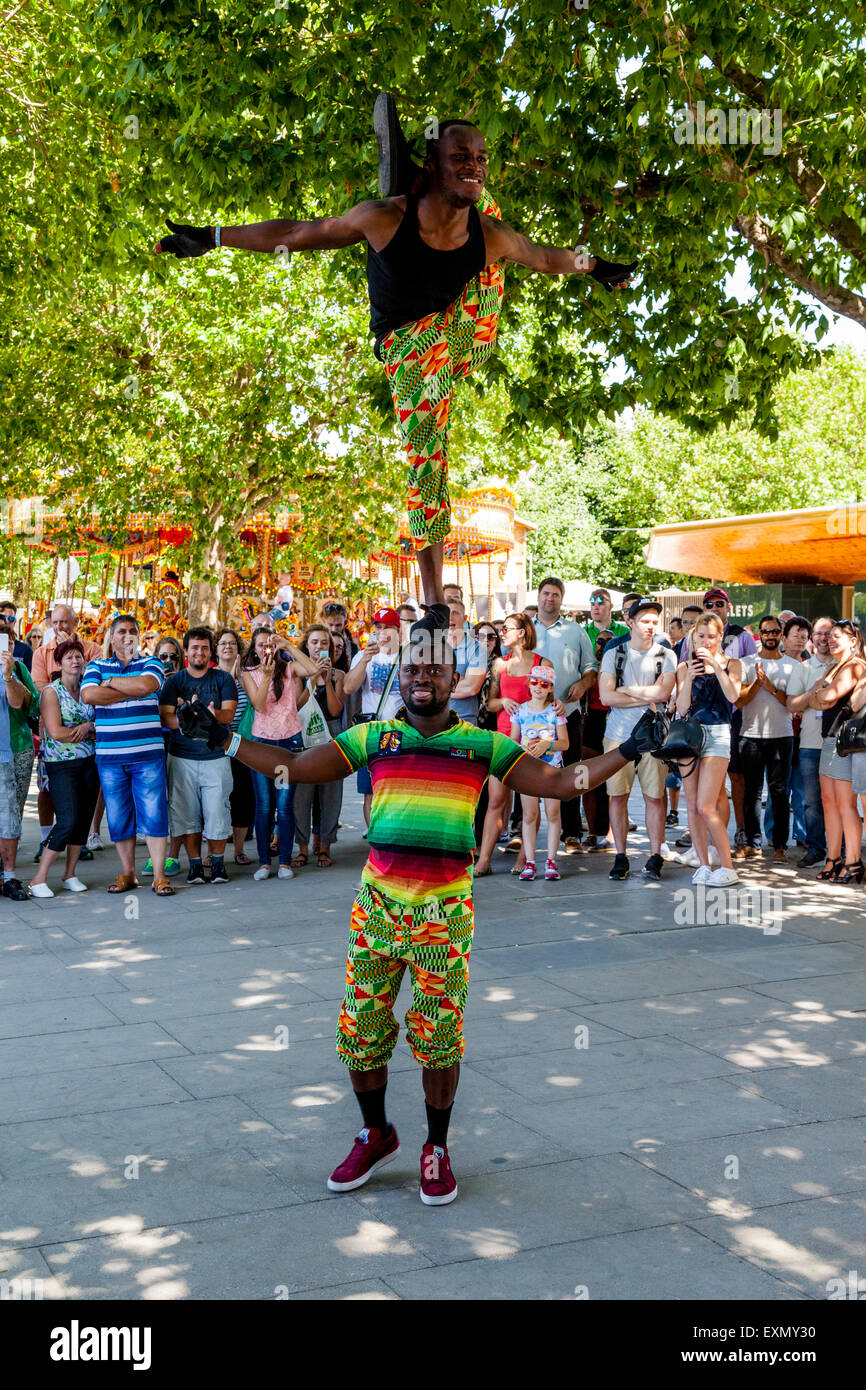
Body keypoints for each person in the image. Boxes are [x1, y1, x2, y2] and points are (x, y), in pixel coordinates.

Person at [176, 624, 662, 1205]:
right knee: (360, 1031)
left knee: (439, 1038)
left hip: (444, 911)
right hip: (377, 910)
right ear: (398, 679)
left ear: (455, 680)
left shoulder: (484, 744)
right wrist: (227, 741)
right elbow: (295, 767)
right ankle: (376, 1132)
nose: (422, 678)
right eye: (412, 670)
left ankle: (436, 1147)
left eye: (435, 670)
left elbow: (559, 783)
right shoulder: (374, 736)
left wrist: (628, 750)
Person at [156, 104, 636, 619]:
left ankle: (424, 180)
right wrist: (211, 236)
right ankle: (433, 598)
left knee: (496, 226)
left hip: (465, 330)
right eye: (459, 157)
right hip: (408, 344)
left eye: (480, 157)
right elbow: (296, 233)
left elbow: (546, 258)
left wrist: (596, 267)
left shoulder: (485, 230)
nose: (473, 164)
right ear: (434, 164)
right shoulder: (382, 218)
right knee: (429, 459)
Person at [81, 614, 173, 895]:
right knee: (119, 817)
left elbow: (146, 687)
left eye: (132, 631)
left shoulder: (151, 662)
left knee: (154, 814)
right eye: (121, 631)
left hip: (147, 754)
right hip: (110, 756)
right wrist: (127, 689)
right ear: (111, 636)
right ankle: (128, 873)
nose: (127, 635)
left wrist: (109, 685)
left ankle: (158, 875)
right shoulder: (96, 665)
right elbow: (88, 696)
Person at [598, 598, 677, 881]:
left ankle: (655, 856)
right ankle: (620, 855)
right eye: (645, 620)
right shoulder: (614, 653)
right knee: (617, 796)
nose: (650, 626)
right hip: (618, 736)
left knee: (654, 798)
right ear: (630, 622)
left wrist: (626, 690)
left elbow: (663, 694)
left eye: (655, 621)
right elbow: (606, 697)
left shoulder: (666, 655)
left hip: (654, 736)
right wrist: (647, 692)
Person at [159, 627, 238, 886]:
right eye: (194, 647)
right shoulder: (174, 682)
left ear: (210, 651)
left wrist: (207, 716)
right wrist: (187, 720)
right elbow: (165, 716)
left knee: (217, 812)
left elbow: (228, 715)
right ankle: (194, 866)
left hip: (215, 756)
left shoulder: (223, 680)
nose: (199, 652)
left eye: (204, 647)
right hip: (181, 757)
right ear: (186, 651)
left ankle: (217, 864)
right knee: (186, 814)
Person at [241, 626, 320, 880]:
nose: (266, 648)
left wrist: (288, 646)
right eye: (261, 644)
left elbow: (312, 670)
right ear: (254, 648)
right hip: (262, 744)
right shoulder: (249, 673)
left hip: (289, 743)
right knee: (264, 805)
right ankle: (265, 862)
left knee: (285, 806)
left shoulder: (288, 667)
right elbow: (259, 704)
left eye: (270, 644)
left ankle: (285, 861)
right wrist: (265, 676)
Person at [673, 612, 743, 886]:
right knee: (691, 805)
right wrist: (688, 678)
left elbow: (733, 696)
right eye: (701, 636)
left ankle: (727, 865)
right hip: (690, 735)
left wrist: (716, 665)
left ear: (720, 637)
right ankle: (703, 864)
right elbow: (681, 708)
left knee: (706, 804)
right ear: (693, 636)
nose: (706, 641)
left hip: (718, 734)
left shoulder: (732, 664)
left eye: (711, 636)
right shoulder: (684, 667)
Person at [29, 640, 100, 898]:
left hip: (90, 762)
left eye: (78, 656)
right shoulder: (51, 692)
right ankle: (39, 878)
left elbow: (100, 725)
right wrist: (85, 730)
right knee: (67, 820)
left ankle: (69, 873)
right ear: (59, 663)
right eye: (69, 657)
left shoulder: (89, 689)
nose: (75, 661)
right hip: (61, 764)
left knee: (83, 820)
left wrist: (90, 728)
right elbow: (56, 732)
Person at [474, 612, 542, 875]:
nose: (502, 633)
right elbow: (488, 703)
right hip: (503, 738)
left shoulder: (541, 662)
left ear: (523, 631)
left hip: (531, 741)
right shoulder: (499, 665)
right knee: (495, 802)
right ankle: (484, 860)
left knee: (529, 806)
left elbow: (548, 699)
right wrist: (503, 702)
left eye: (507, 628)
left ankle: (525, 856)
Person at [533, 576, 598, 851]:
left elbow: (590, 667)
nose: (550, 599)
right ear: (539, 596)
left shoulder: (576, 631)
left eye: (555, 594)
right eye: (546, 593)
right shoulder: (526, 629)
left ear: (562, 598)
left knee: (570, 770)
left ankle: (571, 833)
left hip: (567, 711)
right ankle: (519, 828)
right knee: (525, 769)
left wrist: (583, 684)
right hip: (531, 715)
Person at [735, 615, 802, 863]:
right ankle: (753, 843)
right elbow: (738, 701)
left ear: (781, 634)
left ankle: (780, 846)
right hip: (750, 736)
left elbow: (792, 704)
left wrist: (771, 687)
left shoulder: (793, 666)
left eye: (775, 632)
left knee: (780, 792)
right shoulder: (745, 663)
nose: (771, 636)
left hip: (782, 736)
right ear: (760, 635)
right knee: (752, 792)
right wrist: (756, 685)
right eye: (766, 632)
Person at [804, 621, 866, 883]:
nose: (830, 640)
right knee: (828, 804)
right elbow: (820, 697)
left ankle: (853, 862)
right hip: (828, 740)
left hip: (845, 744)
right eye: (828, 637)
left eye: (837, 636)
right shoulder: (835, 666)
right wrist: (819, 694)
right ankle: (833, 858)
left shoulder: (855, 665)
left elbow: (826, 698)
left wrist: (817, 693)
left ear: (853, 640)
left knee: (845, 806)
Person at [702, 588, 758, 857]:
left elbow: (749, 675)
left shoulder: (742, 636)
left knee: (737, 778)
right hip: (701, 718)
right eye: (709, 604)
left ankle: (741, 830)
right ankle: (707, 839)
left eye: (719, 603)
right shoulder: (696, 637)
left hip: (732, 717)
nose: (714, 607)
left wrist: (739, 702)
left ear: (729, 606)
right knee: (706, 786)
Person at [343, 608, 404, 827]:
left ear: (398, 630)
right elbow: (349, 688)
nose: (382, 632)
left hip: (400, 732)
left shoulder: (408, 656)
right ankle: (376, 841)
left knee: (396, 790)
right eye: (378, 627)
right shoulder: (363, 655)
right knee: (370, 791)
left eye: (387, 627)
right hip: (372, 732)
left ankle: (394, 836)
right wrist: (364, 661)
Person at [509, 661, 568, 881]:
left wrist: (547, 745)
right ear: (528, 683)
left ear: (551, 688)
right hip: (528, 770)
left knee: (553, 813)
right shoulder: (520, 711)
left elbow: (565, 743)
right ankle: (530, 862)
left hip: (552, 768)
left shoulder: (555, 712)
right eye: (534, 682)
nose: (538, 687)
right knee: (530, 814)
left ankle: (551, 861)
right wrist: (523, 749)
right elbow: (513, 741)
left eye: (544, 684)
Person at [293, 625, 346, 868]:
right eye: (314, 642)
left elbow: (336, 711)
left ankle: (325, 846)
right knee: (301, 796)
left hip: (331, 737)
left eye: (324, 643)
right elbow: (296, 706)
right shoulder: (297, 674)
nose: (319, 647)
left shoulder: (338, 675)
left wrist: (326, 679)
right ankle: (302, 848)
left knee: (330, 794)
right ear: (307, 646)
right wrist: (312, 680)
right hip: (305, 737)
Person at [786, 616, 833, 867]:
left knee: (838, 801)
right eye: (818, 633)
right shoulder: (803, 668)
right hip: (810, 743)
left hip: (839, 745)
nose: (823, 638)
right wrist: (812, 690)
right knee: (812, 802)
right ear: (812, 637)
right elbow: (791, 704)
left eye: (828, 633)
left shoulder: (845, 665)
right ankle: (816, 848)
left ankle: (843, 851)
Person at [214, 628, 255, 865]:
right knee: (217, 797)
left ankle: (238, 849)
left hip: (243, 743)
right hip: (219, 744)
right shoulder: (210, 675)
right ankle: (214, 851)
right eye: (222, 643)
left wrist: (242, 676)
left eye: (232, 643)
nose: (227, 647)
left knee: (243, 796)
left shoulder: (247, 675)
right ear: (216, 648)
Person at [1, 643, 35, 901]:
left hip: (11, 750)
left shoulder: (15, 669)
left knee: (10, 814)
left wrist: (8, 674)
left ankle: (9, 877)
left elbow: (19, 705)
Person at [581, 628, 614, 850]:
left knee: (614, 780)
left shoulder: (619, 666)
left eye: (608, 642)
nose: (603, 645)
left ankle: (611, 832)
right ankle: (592, 831)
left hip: (613, 720)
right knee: (589, 780)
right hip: (590, 720)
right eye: (600, 641)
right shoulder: (589, 669)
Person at [446, 600, 486, 725]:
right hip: (433, 721)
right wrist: (458, 680)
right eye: (447, 613)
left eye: (455, 613)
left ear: (465, 618)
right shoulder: (432, 647)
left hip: (464, 721)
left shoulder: (478, 649)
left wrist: (437, 686)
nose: (450, 617)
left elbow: (471, 687)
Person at [0, 601, 34, 671]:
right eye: (2, 617)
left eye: (10, 618)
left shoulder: (25, 650)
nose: (6, 621)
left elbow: (29, 680)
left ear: (14, 622)